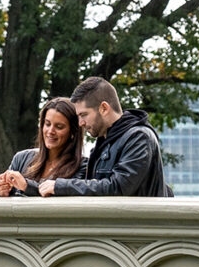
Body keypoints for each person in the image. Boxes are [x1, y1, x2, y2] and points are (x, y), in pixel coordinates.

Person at [38, 77, 172, 197]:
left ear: (104, 108)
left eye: (83, 115)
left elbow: (119, 187)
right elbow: (91, 188)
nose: (80, 123)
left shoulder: (139, 137)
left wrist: (61, 186)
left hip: (139, 224)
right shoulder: (103, 144)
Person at [0, 97, 86, 197]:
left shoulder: (83, 166)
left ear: (73, 131)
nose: (51, 131)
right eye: (47, 124)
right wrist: (2, 193)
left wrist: (27, 186)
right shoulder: (21, 158)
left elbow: (64, 204)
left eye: (59, 127)